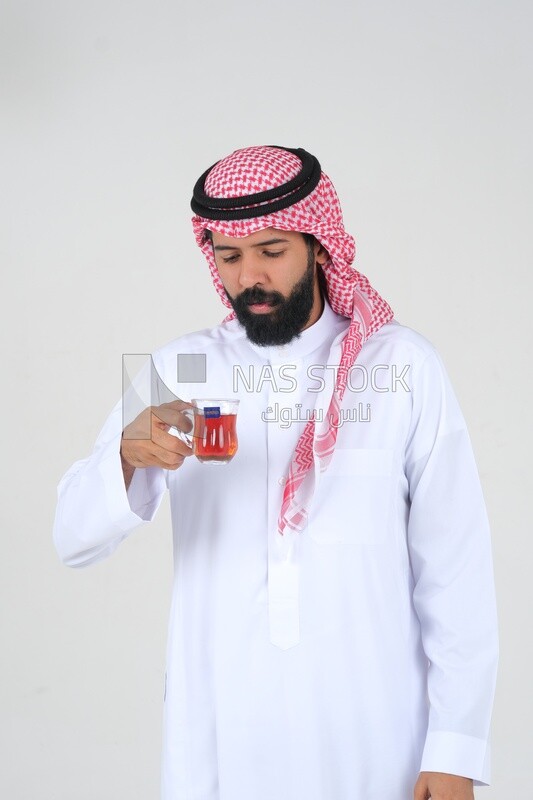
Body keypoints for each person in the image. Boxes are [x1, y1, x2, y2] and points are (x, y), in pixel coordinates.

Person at [53, 145, 498, 800]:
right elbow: (73, 539)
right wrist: (123, 457)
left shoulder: (401, 365)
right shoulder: (184, 367)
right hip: (220, 740)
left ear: (318, 247)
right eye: (228, 257)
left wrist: (456, 748)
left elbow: (454, 569)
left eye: (270, 250)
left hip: (377, 742)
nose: (249, 277)